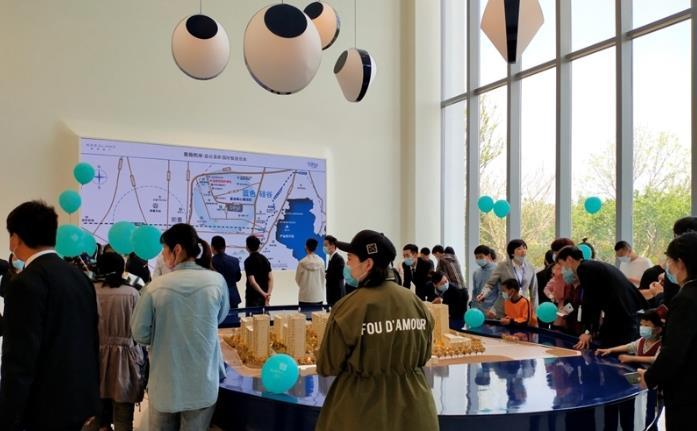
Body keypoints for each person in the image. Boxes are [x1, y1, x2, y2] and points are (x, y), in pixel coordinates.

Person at [316, 230, 438, 431]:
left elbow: (327, 365)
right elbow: (425, 355)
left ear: (368, 264)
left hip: (361, 410)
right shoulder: (416, 303)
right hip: (415, 409)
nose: (348, 265)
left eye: (350, 259)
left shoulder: (348, 308)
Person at [0, 201, 100, 430]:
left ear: (15, 239)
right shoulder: (79, 277)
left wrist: (8, 417)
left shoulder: (24, 283)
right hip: (79, 403)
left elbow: (19, 358)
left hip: (42, 409)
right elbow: (92, 342)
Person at [131, 223, 229, 431]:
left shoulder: (154, 287)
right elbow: (219, 318)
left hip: (165, 383)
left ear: (176, 249)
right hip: (203, 383)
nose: (163, 255)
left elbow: (140, 333)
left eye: (164, 250)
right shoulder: (217, 282)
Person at [638, 232, 697, 429]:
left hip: (687, 393)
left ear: (681, 263)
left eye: (669, 261)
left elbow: (674, 351)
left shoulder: (686, 298)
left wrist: (649, 377)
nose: (667, 266)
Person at [91, 252, 145, 431]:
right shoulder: (133, 293)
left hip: (93, 357)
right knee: (123, 416)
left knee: (93, 415)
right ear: (122, 270)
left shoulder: (90, 291)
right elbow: (140, 330)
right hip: (126, 359)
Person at [556, 245, 648, 350]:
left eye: (561, 264)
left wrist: (588, 331)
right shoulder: (592, 266)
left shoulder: (584, 269)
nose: (562, 270)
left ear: (569, 259)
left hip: (623, 315)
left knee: (611, 350)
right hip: (625, 311)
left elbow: (591, 301)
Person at [476, 239, 539, 313]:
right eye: (519, 249)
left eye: (524, 248)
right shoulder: (502, 266)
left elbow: (534, 291)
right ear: (512, 253)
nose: (523, 251)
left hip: (522, 307)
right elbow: (490, 284)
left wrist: (534, 311)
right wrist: (483, 294)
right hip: (504, 307)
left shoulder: (530, 268)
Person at [596, 309, 662, 365]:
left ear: (658, 329)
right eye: (641, 325)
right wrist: (610, 350)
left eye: (646, 325)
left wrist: (632, 358)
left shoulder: (662, 345)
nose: (642, 327)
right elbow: (628, 346)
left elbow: (655, 359)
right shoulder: (642, 341)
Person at [211, 235, 242, 309]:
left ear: (212, 247)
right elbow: (238, 278)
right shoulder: (235, 260)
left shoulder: (210, 262)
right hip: (232, 297)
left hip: (217, 297)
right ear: (225, 247)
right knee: (234, 316)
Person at [243, 235, 273, 307]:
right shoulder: (265, 259)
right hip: (265, 296)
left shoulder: (248, 261)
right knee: (264, 314)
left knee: (252, 314)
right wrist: (268, 294)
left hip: (252, 297)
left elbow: (252, 282)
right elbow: (270, 278)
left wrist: (263, 294)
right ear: (259, 246)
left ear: (247, 247)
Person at [295, 238, 326, 306]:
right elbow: (323, 278)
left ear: (306, 247)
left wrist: (304, 286)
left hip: (304, 296)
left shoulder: (302, 262)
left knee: (304, 313)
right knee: (317, 313)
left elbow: (297, 279)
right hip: (318, 296)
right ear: (316, 248)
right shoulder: (322, 261)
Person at [471, 245, 498, 313]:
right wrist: (473, 308)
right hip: (479, 311)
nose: (478, 259)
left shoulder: (498, 270)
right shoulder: (476, 273)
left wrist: (495, 309)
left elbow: (501, 294)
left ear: (488, 256)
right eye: (476, 257)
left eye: (481, 257)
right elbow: (475, 292)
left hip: (493, 311)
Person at [324, 235, 346, 306]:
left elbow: (340, 276)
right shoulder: (331, 258)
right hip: (332, 294)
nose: (324, 247)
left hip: (337, 295)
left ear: (333, 246)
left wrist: (327, 275)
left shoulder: (339, 259)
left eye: (326, 245)